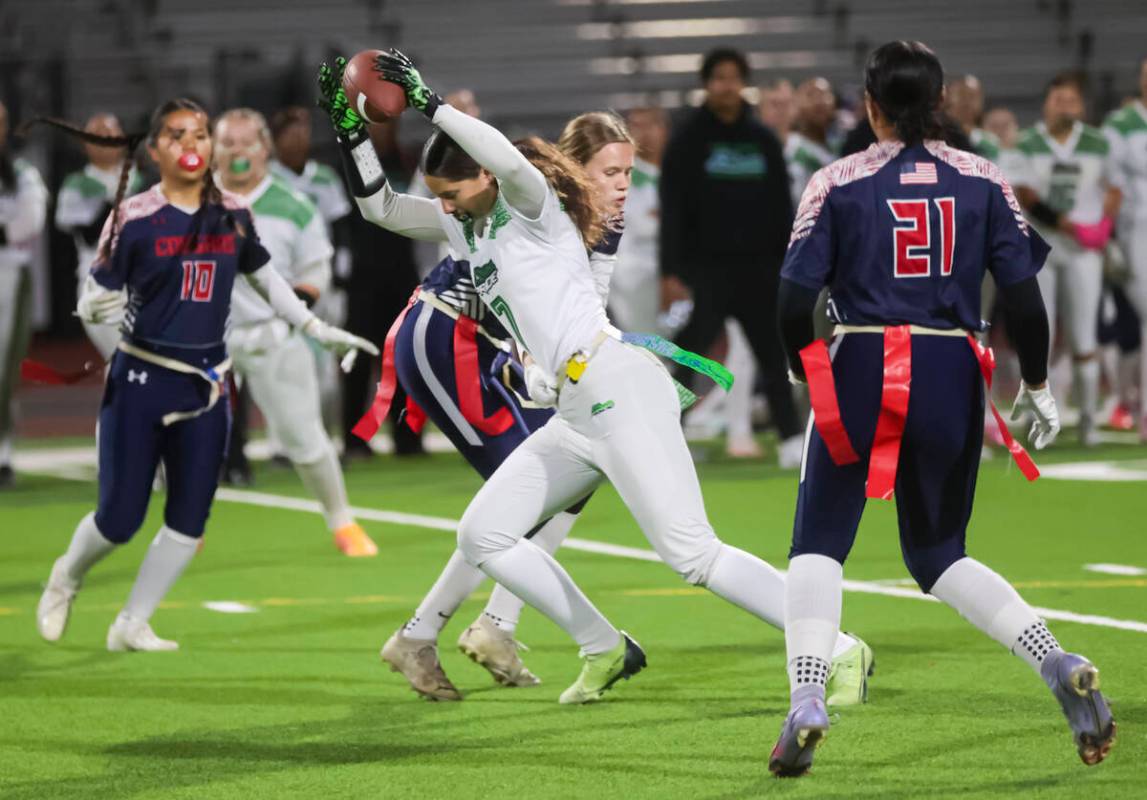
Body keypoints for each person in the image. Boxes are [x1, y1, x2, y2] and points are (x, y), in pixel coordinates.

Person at [320, 49, 871, 706]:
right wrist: (351, 132)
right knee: (483, 534)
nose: (441, 206)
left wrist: (426, 100)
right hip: (578, 408)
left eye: (451, 192)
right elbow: (380, 207)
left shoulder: (530, 205)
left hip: (614, 386)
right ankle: (603, 646)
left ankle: (836, 647)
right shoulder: (466, 225)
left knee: (693, 555)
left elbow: (503, 156)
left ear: (487, 178)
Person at [770, 41, 1114, 776]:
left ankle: (804, 696)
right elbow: (1022, 296)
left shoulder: (836, 179)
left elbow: (794, 298)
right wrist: (1040, 384)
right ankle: (1054, 660)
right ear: (942, 104)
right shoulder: (983, 177)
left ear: (868, 105)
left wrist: (799, 367)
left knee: (818, 541)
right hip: (952, 367)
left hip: (862, 358)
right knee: (937, 554)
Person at [33, 99, 375, 651]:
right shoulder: (133, 215)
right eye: (176, 136)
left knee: (190, 521)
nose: (191, 146)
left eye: (199, 136)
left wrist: (314, 324)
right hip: (145, 377)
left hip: (207, 382)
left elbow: (267, 280)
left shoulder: (233, 212)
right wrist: (93, 304)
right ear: (154, 150)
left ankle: (132, 622)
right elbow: (97, 287)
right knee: (120, 519)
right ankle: (65, 576)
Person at [372, 111, 633, 701]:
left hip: (497, 351)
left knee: (573, 478)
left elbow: (588, 300)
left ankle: (491, 625)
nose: (622, 183)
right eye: (608, 170)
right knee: (522, 495)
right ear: (572, 168)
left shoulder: (604, 218)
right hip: (449, 336)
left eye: (628, 171)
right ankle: (444, 632)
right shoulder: (531, 199)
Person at [214, 107, 377, 556]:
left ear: (264, 149)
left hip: (270, 334)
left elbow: (314, 268)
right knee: (176, 435)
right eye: (227, 143)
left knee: (306, 441)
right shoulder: (193, 203)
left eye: (247, 142)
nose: (237, 152)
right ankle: (184, 528)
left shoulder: (292, 204)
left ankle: (342, 520)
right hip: (204, 339)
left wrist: (296, 308)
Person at [659, 48, 803, 467]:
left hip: (760, 269)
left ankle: (792, 440)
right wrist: (670, 273)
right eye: (718, 78)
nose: (726, 86)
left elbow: (782, 209)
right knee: (688, 352)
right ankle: (668, 434)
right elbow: (673, 210)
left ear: (744, 84)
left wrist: (788, 266)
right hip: (705, 270)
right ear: (706, 85)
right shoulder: (687, 141)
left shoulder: (762, 140)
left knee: (774, 356)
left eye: (733, 78)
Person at [1006, 72, 1122, 445]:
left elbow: (1115, 188)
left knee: (1083, 336)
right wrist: (1073, 225)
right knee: (1040, 335)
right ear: (1046, 103)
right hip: (1041, 247)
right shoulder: (1026, 143)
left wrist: (1105, 223)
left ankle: (1088, 423)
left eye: (1071, 101)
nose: (1065, 107)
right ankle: (1040, 421)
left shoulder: (1099, 142)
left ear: (1082, 106)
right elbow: (1023, 194)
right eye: (1058, 100)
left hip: (1082, 252)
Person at [55, 113, 146, 359]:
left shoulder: (146, 180)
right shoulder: (77, 184)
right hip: (99, 283)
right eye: (95, 135)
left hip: (145, 284)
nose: (104, 140)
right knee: (122, 357)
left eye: (110, 134)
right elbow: (88, 234)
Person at [0, 99, 48, 488]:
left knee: (2, 366)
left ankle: (2, 454)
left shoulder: (21, 174)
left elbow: (28, 221)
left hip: (8, 275)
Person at [1104, 57, 1147, 436]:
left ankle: (1132, 403)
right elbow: (1111, 184)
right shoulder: (1121, 126)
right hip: (1137, 228)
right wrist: (1110, 236)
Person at [609, 106, 666, 334]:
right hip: (633, 280)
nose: (644, 133)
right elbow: (643, 226)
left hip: (678, 279)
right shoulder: (617, 179)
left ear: (664, 129)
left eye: (650, 125)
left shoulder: (680, 174)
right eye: (636, 127)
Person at [785, 78, 838, 209]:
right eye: (811, 95)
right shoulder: (794, 149)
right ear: (796, 106)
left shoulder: (840, 145)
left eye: (824, 95)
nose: (819, 102)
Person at [945, 75, 1001, 162]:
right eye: (961, 95)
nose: (967, 102)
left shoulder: (989, 139)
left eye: (972, 96)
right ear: (947, 98)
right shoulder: (935, 133)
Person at [758, 78, 795, 143]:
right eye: (775, 104)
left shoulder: (808, 149)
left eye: (786, 104)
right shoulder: (749, 146)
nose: (782, 110)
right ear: (760, 108)